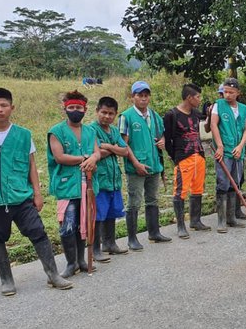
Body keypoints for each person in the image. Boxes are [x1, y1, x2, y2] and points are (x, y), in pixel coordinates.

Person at [0, 88, 73, 296]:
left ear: (12, 108)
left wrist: (37, 193)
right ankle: (6, 280)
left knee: (38, 233)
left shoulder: (23, 134)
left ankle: (53, 274)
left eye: (4, 105)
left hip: (20, 196)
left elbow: (31, 165)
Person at [47, 91, 102, 277]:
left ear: (85, 109)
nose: (75, 111)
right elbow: (60, 157)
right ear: (65, 109)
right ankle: (70, 263)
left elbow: (97, 152)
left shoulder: (90, 131)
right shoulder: (56, 132)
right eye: (71, 108)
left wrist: (94, 158)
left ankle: (81, 260)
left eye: (78, 108)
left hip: (88, 185)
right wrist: (85, 158)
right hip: (67, 186)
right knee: (67, 226)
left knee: (83, 224)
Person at [119, 81, 172, 247]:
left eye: (146, 95)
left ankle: (154, 233)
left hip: (154, 165)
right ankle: (132, 239)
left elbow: (160, 136)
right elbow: (123, 143)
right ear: (133, 97)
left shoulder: (155, 116)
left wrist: (162, 142)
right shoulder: (126, 116)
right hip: (136, 167)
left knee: (153, 199)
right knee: (134, 201)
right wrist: (135, 163)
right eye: (139, 95)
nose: (143, 99)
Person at [163, 84, 210, 239]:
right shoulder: (172, 115)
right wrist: (175, 156)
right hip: (183, 158)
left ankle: (195, 220)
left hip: (199, 156)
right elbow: (168, 140)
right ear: (189, 98)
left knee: (197, 189)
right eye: (197, 97)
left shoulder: (196, 114)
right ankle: (181, 225)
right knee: (180, 191)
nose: (199, 99)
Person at [90, 97, 130, 259]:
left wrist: (107, 146)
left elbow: (125, 150)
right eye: (104, 113)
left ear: (115, 115)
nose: (107, 116)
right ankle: (95, 249)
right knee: (98, 215)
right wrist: (114, 149)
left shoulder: (113, 131)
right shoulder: (91, 130)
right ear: (97, 111)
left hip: (114, 180)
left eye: (111, 114)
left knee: (112, 213)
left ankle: (110, 243)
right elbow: (97, 153)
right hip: (100, 180)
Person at [210, 78, 246, 232]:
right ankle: (221, 220)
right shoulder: (218, 105)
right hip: (224, 151)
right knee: (223, 183)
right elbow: (214, 125)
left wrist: (241, 146)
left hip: (238, 151)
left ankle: (232, 218)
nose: (227, 95)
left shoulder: (244, 108)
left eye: (231, 92)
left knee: (236, 182)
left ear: (238, 93)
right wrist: (219, 145)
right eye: (225, 91)